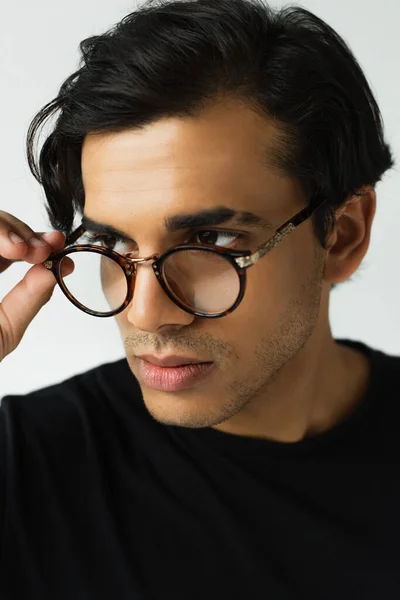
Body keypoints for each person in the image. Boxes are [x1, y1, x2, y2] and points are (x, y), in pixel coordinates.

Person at [0, 0, 398, 597]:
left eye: (210, 241)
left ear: (342, 236)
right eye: (112, 241)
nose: (145, 312)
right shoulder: (25, 468)